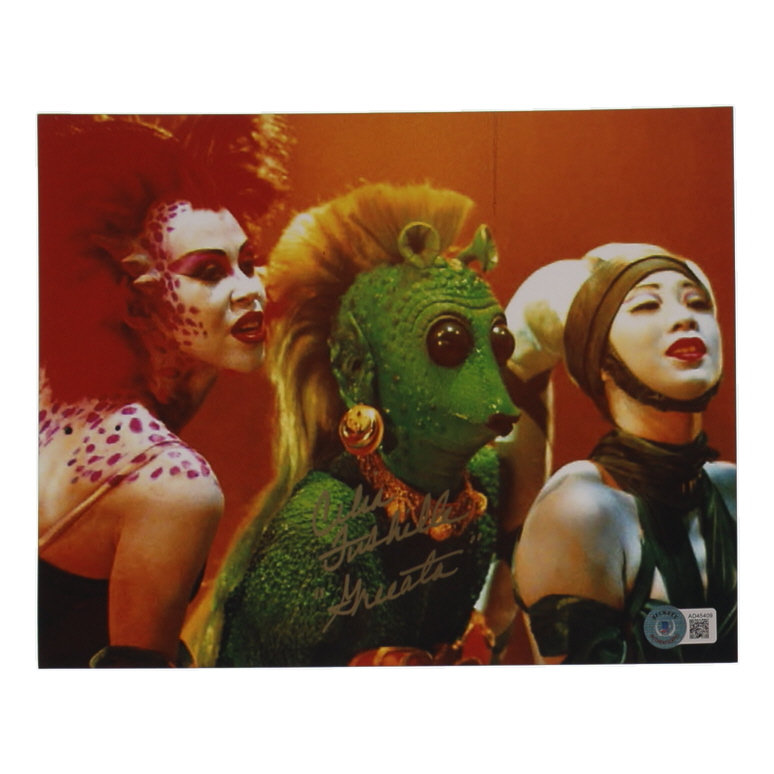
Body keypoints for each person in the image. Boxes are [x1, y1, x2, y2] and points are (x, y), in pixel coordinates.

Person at [188, 183, 521, 667]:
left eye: (498, 342)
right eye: (446, 344)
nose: (494, 391)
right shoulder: (322, 525)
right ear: (358, 371)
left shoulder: (482, 482)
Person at [38, 114, 288, 667]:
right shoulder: (175, 487)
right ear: (133, 294)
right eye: (209, 273)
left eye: (249, 263)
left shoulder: (40, 386)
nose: (250, 290)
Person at [510, 243, 736, 664]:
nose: (686, 318)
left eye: (697, 302)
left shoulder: (734, 489)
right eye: (646, 305)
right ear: (600, 358)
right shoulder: (580, 511)